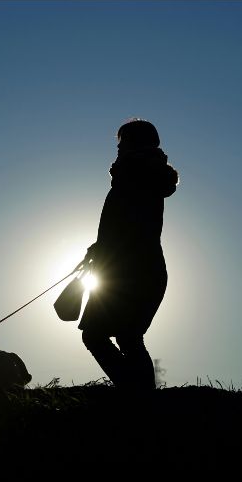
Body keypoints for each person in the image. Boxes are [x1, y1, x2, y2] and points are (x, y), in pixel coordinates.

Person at [78, 118, 178, 390]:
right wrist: (100, 247)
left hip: (128, 270)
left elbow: (131, 225)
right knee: (127, 336)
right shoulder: (143, 175)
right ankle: (138, 395)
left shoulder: (134, 175)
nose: (118, 149)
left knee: (104, 335)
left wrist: (105, 249)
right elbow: (131, 224)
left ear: (133, 144)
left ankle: (134, 393)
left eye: (122, 143)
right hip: (141, 268)